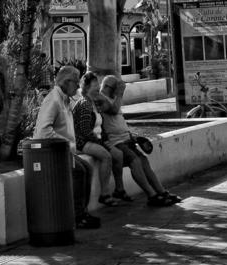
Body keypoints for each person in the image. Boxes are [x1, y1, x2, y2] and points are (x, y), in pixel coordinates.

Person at [32, 64, 101, 228]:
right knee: (79, 171)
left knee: (87, 169)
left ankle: (82, 213)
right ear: (67, 82)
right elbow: (43, 130)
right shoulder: (54, 100)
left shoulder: (64, 98)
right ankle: (77, 216)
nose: (78, 86)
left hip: (66, 151)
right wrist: (64, 142)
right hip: (53, 152)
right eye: (76, 82)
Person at [96, 74, 180, 206]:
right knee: (135, 162)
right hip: (116, 142)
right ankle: (151, 195)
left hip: (125, 138)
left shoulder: (113, 98)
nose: (116, 90)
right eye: (114, 87)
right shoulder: (101, 98)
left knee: (144, 161)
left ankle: (161, 191)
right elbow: (114, 110)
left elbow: (118, 120)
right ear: (107, 86)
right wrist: (120, 93)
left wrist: (132, 135)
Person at [73, 72, 124, 205]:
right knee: (106, 156)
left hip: (96, 139)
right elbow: (84, 131)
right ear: (86, 87)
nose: (97, 88)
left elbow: (101, 126)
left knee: (118, 155)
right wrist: (101, 143)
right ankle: (104, 194)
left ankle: (120, 189)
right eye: (95, 86)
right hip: (83, 141)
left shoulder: (94, 103)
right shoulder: (85, 104)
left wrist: (105, 140)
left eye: (98, 85)